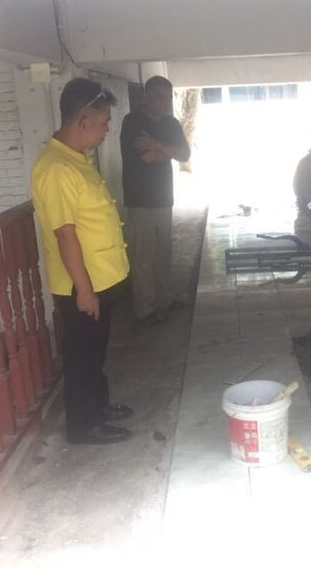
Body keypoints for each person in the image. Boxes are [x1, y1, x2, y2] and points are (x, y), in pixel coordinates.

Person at [31, 77, 133, 445]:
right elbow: (65, 234)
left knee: (95, 351)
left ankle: (97, 407)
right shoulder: (56, 168)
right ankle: (83, 425)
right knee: (82, 355)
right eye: (104, 123)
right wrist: (85, 291)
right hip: (82, 283)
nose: (106, 131)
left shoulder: (75, 158)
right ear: (83, 121)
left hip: (99, 277)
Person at [120, 75, 191, 325]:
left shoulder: (171, 123)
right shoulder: (132, 122)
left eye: (168, 97)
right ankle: (145, 308)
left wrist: (156, 144)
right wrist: (167, 152)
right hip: (140, 199)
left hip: (164, 197)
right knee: (143, 255)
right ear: (147, 96)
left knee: (164, 252)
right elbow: (146, 158)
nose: (165, 102)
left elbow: (184, 154)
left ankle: (165, 299)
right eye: (160, 96)